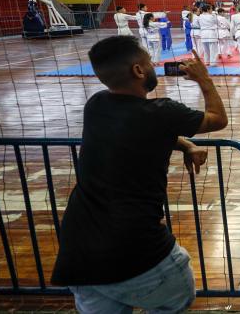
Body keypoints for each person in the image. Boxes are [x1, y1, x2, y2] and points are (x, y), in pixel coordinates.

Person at [51, 36, 228, 313]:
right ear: (138, 71)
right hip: (136, 249)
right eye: (149, 62)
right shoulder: (163, 112)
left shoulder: (96, 106)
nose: (154, 66)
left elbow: (136, 131)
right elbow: (217, 118)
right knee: (177, 296)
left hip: (78, 251)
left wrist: (184, 144)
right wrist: (204, 78)